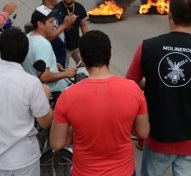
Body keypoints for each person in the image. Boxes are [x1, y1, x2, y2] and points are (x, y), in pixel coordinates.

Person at [126, 0, 191, 175]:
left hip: (157, 135)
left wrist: (153, 83)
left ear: (169, 14)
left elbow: (130, 83)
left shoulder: (146, 47)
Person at [50, 30, 149, 176]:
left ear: (82, 57)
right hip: (124, 172)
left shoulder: (68, 95)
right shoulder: (133, 89)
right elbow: (143, 132)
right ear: (110, 53)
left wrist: (75, 128)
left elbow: (57, 143)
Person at [0, 28, 52, 176]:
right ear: (25, 54)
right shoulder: (31, 83)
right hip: (23, 157)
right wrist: (45, 97)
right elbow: (45, 122)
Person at [23, 5, 76, 93]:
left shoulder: (28, 37)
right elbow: (44, 76)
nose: (54, 24)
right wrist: (66, 74)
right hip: (52, 91)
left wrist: (53, 65)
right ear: (40, 24)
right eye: (51, 21)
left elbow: (36, 62)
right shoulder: (43, 44)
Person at [39, 0, 75, 67]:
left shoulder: (57, 9)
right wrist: (65, 25)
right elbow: (48, 37)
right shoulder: (41, 12)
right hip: (50, 56)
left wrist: (69, 22)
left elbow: (65, 29)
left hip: (62, 53)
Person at [56, 0, 88, 67]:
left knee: (84, 66)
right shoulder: (57, 8)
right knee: (63, 70)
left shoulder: (79, 7)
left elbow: (83, 25)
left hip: (77, 45)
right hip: (64, 47)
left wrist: (87, 40)